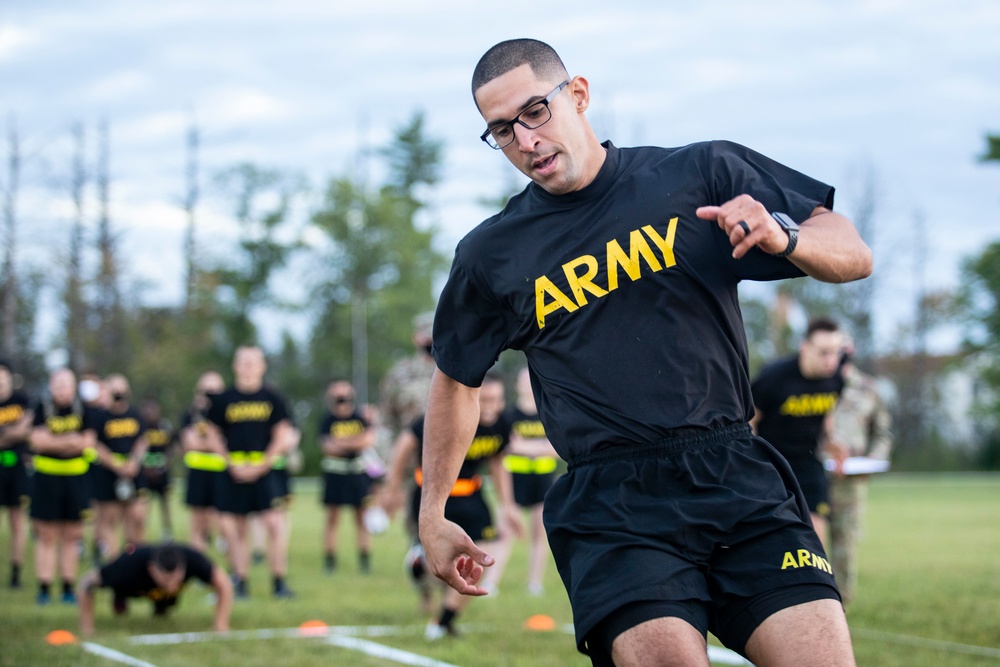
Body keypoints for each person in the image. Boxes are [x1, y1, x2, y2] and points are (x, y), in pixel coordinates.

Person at [418, 38, 872, 667]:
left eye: (534, 112)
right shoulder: (491, 255)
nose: (524, 140)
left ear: (577, 94)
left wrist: (785, 233)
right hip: (613, 506)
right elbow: (456, 380)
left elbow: (851, 250)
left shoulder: (699, 175)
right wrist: (432, 511)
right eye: (500, 130)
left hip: (734, 474)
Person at [385, 372, 520, 639]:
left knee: (483, 559)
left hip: (472, 494)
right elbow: (404, 445)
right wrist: (393, 487)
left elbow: (497, 462)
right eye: (487, 399)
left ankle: (443, 622)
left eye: (498, 400)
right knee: (439, 565)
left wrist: (509, 505)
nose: (493, 406)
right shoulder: (449, 415)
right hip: (434, 493)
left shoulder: (501, 424)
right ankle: (419, 567)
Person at [204, 346, 296, 599]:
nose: (247, 366)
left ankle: (279, 583)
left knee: (274, 525)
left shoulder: (272, 397)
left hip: (264, 472)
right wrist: (229, 463)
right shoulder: (224, 400)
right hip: (232, 472)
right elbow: (212, 435)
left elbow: (282, 434)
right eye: (243, 362)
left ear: (262, 366)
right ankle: (240, 583)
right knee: (236, 530)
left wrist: (263, 464)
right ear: (235, 365)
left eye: (253, 362)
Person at [751, 318, 846, 545]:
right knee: (774, 533)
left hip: (809, 461)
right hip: (772, 463)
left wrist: (833, 444)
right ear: (805, 348)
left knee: (816, 528)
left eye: (836, 353)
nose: (831, 361)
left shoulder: (835, 380)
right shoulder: (773, 377)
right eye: (824, 353)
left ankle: (815, 578)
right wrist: (751, 462)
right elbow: (749, 421)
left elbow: (826, 418)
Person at [824, 349, 893, 604]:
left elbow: (883, 432)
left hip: (851, 483)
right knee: (809, 546)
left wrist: (873, 459)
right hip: (813, 477)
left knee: (845, 549)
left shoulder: (867, 388)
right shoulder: (814, 384)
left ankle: (841, 607)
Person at [29, 368, 102, 605]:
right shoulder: (42, 408)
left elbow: (88, 444)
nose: (62, 389)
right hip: (46, 481)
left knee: (72, 535)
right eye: (57, 384)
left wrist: (55, 443)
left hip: (76, 482)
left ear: (73, 387)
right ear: (51, 386)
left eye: (66, 384)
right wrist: (69, 442)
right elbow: (37, 442)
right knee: (46, 535)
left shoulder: (84, 411)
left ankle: (68, 587)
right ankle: (44, 587)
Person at [78, 542, 233, 636]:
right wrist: (87, 628)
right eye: (167, 580)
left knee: (165, 605)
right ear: (152, 569)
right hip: (132, 587)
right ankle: (119, 597)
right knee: (120, 590)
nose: (172, 584)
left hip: (160, 594)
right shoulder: (127, 565)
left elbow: (224, 584)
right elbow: (86, 583)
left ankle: (161, 606)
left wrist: (221, 625)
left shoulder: (192, 559)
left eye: (176, 579)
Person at [500, 366, 560, 596]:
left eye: (530, 380)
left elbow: (557, 448)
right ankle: (491, 583)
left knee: (539, 533)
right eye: (523, 380)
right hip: (514, 481)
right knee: (504, 533)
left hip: (543, 481)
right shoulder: (509, 416)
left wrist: (525, 447)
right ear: (516, 385)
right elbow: (506, 447)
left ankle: (534, 583)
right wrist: (539, 448)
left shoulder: (548, 413)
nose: (527, 384)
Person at [318, 379, 376, 574]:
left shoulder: (360, 418)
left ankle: (364, 559)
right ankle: (330, 560)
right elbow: (327, 446)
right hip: (335, 475)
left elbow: (368, 441)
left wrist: (341, 442)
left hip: (356, 475)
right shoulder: (327, 420)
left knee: (361, 518)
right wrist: (354, 442)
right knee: (332, 519)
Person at [91, 374, 149, 561]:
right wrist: (115, 465)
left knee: (137, 517)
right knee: (109, 519)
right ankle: (115, 563)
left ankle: (134, 558)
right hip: (108, 473)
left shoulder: (135, 415)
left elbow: (143, 440)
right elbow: (95, 445)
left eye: (122, 390)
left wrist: (134, 462)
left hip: (133, 473)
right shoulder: (100, 417)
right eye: (115, 390)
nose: (119, 394)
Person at [180, 371, 227, 553]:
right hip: (198, 474)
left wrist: (208, 443)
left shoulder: (225, 414)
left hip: (221, 474)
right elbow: (189, 443)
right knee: (198, 524)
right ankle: (198, 562)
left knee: (225, 522)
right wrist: (213, 443)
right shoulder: (191, 415)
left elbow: (226, 443)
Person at [0, 359, 33, 589]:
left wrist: (8, 435)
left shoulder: (23, 400)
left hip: (18, 468)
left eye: (3, 377)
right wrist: (14, 432)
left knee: (17, 522)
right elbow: (18, 431)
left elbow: (26, 430)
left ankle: (15, 574)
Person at [136, 399, 176, 541]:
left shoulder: (164, 427)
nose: (151, 413)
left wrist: (164, 466)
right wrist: (144, 468)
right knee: (143, 504)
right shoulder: (142, 428)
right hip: (145, 472)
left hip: (162, 472)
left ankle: (167, 531)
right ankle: (141, 533)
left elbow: (172, 448)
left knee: (164, 503)